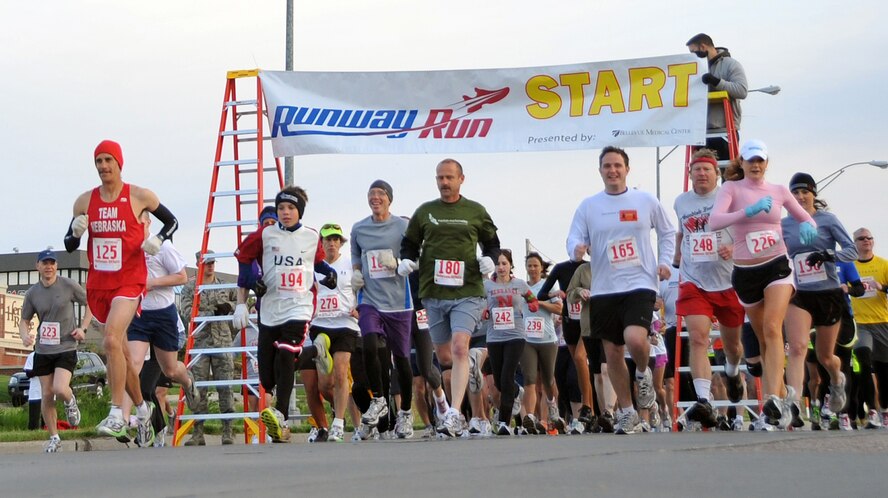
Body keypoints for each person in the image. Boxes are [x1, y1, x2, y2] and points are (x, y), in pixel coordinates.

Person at [65, 139, 179, 445]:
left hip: (130, 281)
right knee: (124, 356)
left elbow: (172, 220)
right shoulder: (84, 201)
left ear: (119, 163)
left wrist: (158, 238)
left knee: (112, 339)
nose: (103, 166)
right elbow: (69, 244)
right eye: (98, 161)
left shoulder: (139, 196)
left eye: (108, 160)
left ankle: (117, 413)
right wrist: (75, 233)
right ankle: (143, 410)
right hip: (100, 283)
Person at [566, 146, 676, 434]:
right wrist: (576, 250)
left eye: (617, 165)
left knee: (635, 339)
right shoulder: (589, 205)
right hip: (604, 288)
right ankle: (627, 412)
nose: (612, 170)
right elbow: (574, 237)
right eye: (607, 166)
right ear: (600, 171)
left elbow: (667, 232)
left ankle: (642, 372)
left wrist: (665, 262)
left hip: (640, 283)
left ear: (627, 169)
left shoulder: (644, 200)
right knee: (612, 352)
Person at [709, 139, 816, 428]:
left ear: (767, 163)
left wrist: (808, 224)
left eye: (760, 160)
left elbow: (805, 216)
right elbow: (714, 221)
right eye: (750, 160)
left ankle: (772, 397)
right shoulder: (732, 189)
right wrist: (749, 211)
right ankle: (780, 399)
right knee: (764, 339)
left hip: (777, 266)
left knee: (772, 328)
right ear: (741, 163)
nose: (755, 165)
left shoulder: (780, 191)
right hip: (746, 273)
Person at [400, 158, 500, 438]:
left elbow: (492, 243)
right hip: (433, 293)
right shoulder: (425, 212)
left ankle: (454, 413)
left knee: (457, 348)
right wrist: (406, 260)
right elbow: (408, 243)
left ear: (461, 179)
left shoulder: (475, 211)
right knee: (445, 357)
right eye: (440, 178)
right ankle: (474, 360)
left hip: (467, 291)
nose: (444, 183)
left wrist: (490, 260)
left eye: (449, 178)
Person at [233, 186, 337, 443]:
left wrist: (328, 273)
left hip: (299, 306)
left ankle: (280, 416)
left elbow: (317, 261)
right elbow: (244, 256)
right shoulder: (266, 234)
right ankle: (316, 351)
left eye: (291, 208)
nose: (286, 212)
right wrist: (242, 301)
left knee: (286, 353)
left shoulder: (311, 236)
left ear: (299, 211)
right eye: (281, 208)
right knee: (268, 377)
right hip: (270, 309)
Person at [672, 149, 746, 428]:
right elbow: (682, 231)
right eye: (696, 170)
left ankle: (733, 371)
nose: (701, 174)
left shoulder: (729, 196)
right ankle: (703, 399)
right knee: (699, 337)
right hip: (694, 281)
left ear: (717, 174)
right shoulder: (681, 202)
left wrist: (734, 247)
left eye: (707, 170)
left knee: (732, 347)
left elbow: (746, 228)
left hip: (728, 282)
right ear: (689, 174)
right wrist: (677, 257)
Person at [781, 173, 858, 425]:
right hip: (799, 293)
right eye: (795, 193)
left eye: (805, 192)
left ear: (814, 194)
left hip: (828, 294)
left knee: (826, 357)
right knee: (797, 348)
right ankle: (792, 404)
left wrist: (827, 255)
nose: (801, 197)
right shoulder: (784, 224)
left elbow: (852, 250)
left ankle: (836, 379)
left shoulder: (827, 220)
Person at [121, 210, 200, 444]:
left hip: (164, 315)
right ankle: (123, 419)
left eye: (139, 222)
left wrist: (152, 283)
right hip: (139, 314)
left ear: (148, 223)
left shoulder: (162, 247)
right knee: (132, 365)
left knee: (171, 371)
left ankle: (187, 381)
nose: (135, 226)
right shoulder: (128, 250)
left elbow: (182, 277)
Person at [350, 181, 417, 438]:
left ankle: (406, 413)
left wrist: (400, 264)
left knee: (401, 360)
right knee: (368, 342)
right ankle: (378, 399)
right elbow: (357, 257)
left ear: (390, 199)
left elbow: (418, 257)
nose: (375, 198)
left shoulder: (403, 226)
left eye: (380, 194)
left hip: (399, 302)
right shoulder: (359, 228)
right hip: (370, 298)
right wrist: (356, 276)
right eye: (371, 194)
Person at [19, 249, 93, 452]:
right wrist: (24, 335)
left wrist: (83, 328)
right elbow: (24, 321)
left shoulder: (68, 285)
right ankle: (54, 437)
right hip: (43, 349)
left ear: (56, 266)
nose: (49, 266)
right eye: (45, 263)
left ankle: (70, 401)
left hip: (66, 345)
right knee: (46, 394)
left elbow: (90, 304)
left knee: (60, 388)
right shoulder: (32, 293)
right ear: (38, 266)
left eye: (52, 263)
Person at [302, 222, 359, 443]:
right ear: (321, 243)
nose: (332, 244)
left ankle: (338, 424)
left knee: (341, 372)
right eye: (328, 240)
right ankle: (337, 411)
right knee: (324, 385)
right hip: (320, 326)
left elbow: (361, 289)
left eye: (336, 240)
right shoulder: (313, 266)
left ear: (341, 243)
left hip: (345, 325)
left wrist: (359, 308)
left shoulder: (349, 265)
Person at [179, 249, 237, 445]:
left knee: (225, 386)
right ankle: (198, 432)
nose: (210, 266)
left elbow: (238, 304)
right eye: (207, 263)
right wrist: (211, 312)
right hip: (200, 343)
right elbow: (187, 312)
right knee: (197, 388)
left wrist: (229, 307)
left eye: (213, 262)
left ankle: (228, 430)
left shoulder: (225, 285)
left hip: (222, 341)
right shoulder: (190, 288)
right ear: (198, 264)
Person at [483, 249, 539, 435]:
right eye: (498, 264)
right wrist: (483, 312)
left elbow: (533, 300)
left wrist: (531, 305)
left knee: (507, 375)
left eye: (504, 263)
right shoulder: (487, 286)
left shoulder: (519, 284)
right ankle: (516, 390)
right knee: (499, 382)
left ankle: (504, 422)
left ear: (510, 265)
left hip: (515, 335)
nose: (501, 267)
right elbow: (479, 305)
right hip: (494, 336)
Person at [685, 33, 748, 161]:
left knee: (729, 174)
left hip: (726, 129)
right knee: (702, 172)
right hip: (701, 131)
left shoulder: (731, 65)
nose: (692, 56)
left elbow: (742, 91)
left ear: (703, 47)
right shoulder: (694, 68)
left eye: (693, 52)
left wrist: (717, 82)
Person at [520, 252, 564, 434]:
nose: (532, 269)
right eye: (529, 266)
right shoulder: (521, 287)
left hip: (547, 339)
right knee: (530, 379)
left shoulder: (548, 286)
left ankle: (552, 410)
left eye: (535, 266)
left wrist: (539, 302)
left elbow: (559, 308)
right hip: (527, 339)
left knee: (548, 380)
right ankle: (531, 417)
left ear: (542, 268)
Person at [849, 227, 888, 428]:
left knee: (883, 370)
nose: (866, 241)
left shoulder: (883, 264)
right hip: (860, 324)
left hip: (882, 322)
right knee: (863, 358)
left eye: (869, 238)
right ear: (854, 243)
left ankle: (885, 411)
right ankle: (871, 411)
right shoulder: (850, 265)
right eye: (861, 238)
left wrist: (882, 287)